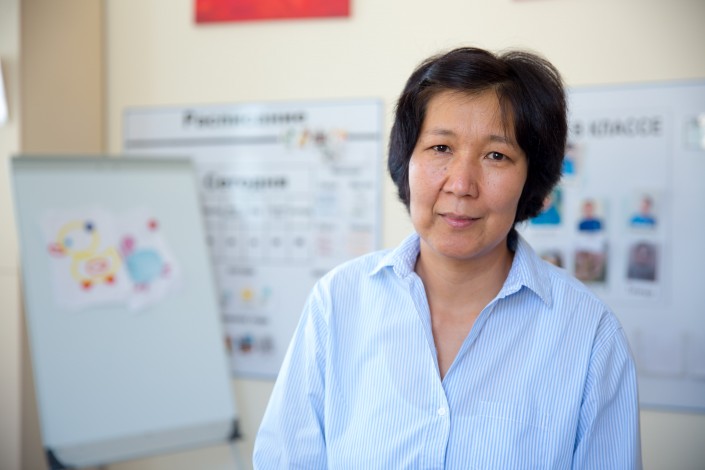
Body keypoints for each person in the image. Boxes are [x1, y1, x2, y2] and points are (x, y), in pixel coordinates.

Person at [254, 47, 641, 469]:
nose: (461, 184)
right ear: (406, 161)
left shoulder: (589, 334)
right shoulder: (338, 301)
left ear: (531, 180)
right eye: (440, 148)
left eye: (496, 155)